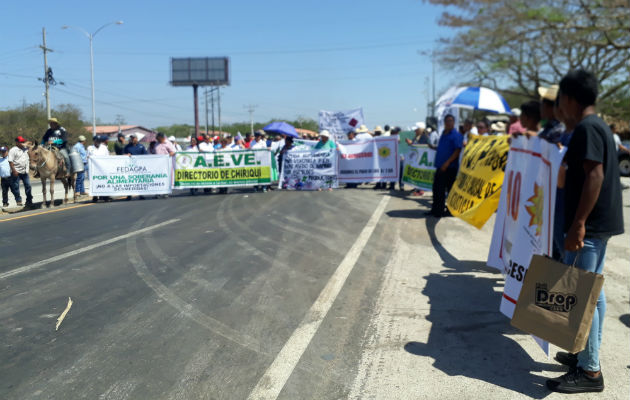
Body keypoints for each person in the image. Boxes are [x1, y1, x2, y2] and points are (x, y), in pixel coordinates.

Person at [546, 69, 624, 394]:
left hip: (589, 227)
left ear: (571, 98)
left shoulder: (586, 129)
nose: (559, 106)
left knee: (583, 296)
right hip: (598, 224)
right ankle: (583, 355)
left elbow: (594, 176)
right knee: (595, 293)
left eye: (561, 99)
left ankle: (590, 372)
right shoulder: (597, 126)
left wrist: (578, 224)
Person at [429, 115, 462, 218]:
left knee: (448, 190)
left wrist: (447, 163)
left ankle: (448, 211)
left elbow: (457, 151)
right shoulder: (443, 133)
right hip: (440, 166)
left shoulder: (456, 135)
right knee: (437, 189)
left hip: (449, 167)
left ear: (454, 122)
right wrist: (433, 147)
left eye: (451, 121)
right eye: (447, 121)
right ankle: (436, 210)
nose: (449, 123)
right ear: (444, 122)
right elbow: (443, 147)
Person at [8, 136, 33, 207]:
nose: (22, 143)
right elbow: (10, 161)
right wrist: (14, 171)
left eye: (23, 141)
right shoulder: (13, 150)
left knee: (28, 186)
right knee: (15, 187)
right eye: (21, 142)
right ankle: (18, 200)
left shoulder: (26, 149)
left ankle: (29, 200)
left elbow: (32, 144)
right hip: (16, 171)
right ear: (16, 142)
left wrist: (26, 143)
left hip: (25, 171)